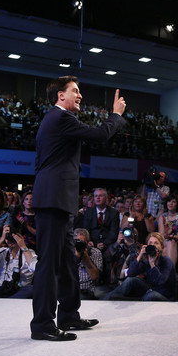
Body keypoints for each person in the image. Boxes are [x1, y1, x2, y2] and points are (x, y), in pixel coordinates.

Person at [30, 76, 125, 341]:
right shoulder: (61, 118)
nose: (80, 95)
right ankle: (42, 326)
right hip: (53, 200)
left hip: (57, 199)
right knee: (49, 265)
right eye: (75, 90)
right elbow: (100, 134)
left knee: (66, 262)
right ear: (61, 96)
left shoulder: (56, 120)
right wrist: (116, 115)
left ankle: (69, 316)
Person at [104, 232, 176, 301]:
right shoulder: (147, 261)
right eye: (150, 243)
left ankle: (136, 308)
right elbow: (130, 273)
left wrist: (152, 264)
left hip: (166, 296)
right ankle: (105, 301)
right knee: (131, 280)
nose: (153, 245)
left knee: (151, 295)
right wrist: (140, 255)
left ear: (161, 247)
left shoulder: (167, 261)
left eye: (156, 243)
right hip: (151, 290)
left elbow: (160, 282)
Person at [83, 188, 119, 252]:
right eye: (96, 196)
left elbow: (113, 232)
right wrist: (89, 241)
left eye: (100, 196)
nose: (98, 198)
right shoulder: (88, 212)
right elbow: (86, 229)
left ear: (106, 198)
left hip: (107, 245)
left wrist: (105, 243)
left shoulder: (114, 213)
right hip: (91, 244)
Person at [73, 228, 102, 300]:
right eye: (77, 242)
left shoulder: (95, 252)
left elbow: (95, 276)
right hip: (70, 289)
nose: (79, 245)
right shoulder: (68, 252)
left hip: (87, 290)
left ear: (88, 242)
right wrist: (75, 257)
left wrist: (85, 257)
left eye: (82, 243)